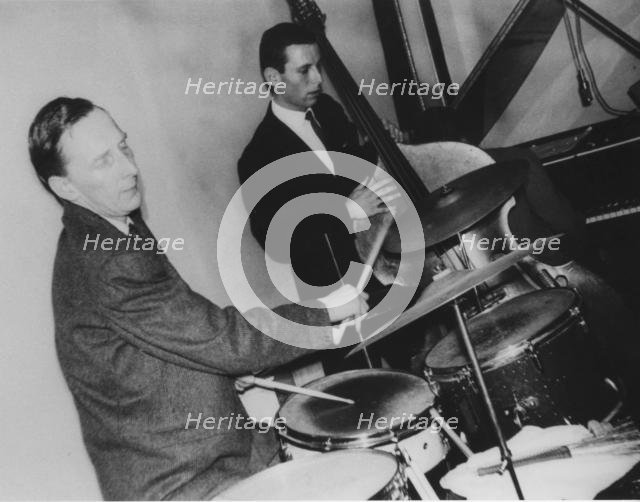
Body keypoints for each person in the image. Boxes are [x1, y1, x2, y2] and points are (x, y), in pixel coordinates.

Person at [28, 97, 367, 499]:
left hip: (208, 454)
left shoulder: (109, 224)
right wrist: (324, 310)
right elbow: (225, 340)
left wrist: (215, 372)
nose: (130, 168)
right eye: (104, 161)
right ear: (65, 186)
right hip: (180, 481)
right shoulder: (108, 261)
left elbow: (167, 332)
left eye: (123, 146)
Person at [238, 22, 402, 301]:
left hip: (384, 260)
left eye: (318, 66)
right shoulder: (257, 158)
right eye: (304, 70)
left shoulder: (327, 109)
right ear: (273, 77)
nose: (317, 79)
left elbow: (351, 173)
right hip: (339, 289)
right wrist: (344, 213)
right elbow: (278, 243)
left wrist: (379, 142)